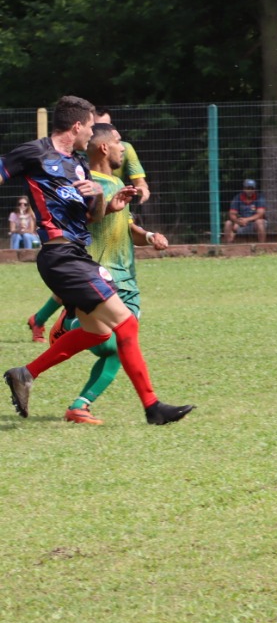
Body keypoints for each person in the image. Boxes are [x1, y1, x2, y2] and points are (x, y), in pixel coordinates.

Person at [0, 96, 193, 425]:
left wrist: (106, 203)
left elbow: (90, 218)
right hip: (59, 255)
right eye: (90, 127)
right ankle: (152, 408)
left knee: (99, 333)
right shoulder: (34, 152)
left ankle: (25, 373)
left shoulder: (77, 164)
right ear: (77, 126)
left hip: (76, 253)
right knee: (126, 324)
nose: (92, 134)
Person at [48, 121, 173, 424]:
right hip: (104, 279)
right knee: (118, 343)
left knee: (118, 346)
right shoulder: (90, 185)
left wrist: (148, 237)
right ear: (104, 147)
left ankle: (79, 404)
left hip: (122, 278)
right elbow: (77, 226)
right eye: (119, 142)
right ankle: (63, 333)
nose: (124, 147)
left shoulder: (114, 185)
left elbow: (126, 227)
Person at [25, 108, 149, 341]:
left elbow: (141, 182)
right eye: (92, 127)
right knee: (79, 278)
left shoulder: (124, 151)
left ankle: (43, 324)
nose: (94, 131)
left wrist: (136, 194)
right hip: (92, 212)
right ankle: (59, 325)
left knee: (79, 284)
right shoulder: (77, 165)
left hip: (113, 204)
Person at [223, 179, 267, 243]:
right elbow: (232, 213)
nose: (250, 191)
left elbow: (260, 214)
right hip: (240, 222)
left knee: (259, 222)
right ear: (244, 188)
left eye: (252, 188)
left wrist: (247, 219)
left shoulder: (259, 197)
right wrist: (237, 221)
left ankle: (262, 246)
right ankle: (229, 246)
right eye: (248, 188)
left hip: (254, 223)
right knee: (228, 223)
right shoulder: (237, 198)